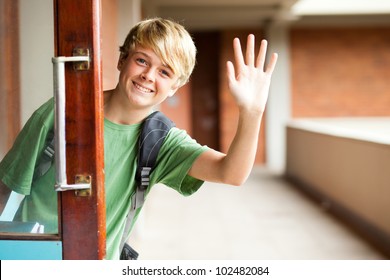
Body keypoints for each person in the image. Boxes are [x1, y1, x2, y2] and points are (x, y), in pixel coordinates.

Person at [0, 18, 278, 259]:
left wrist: (252, 112)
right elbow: (5, 188)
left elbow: (232, 173)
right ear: (122, 60)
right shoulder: (63, 111)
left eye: (164, 72)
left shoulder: (161, 140)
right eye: (142, 60)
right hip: (32, 258)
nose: (148, 76)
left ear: (175, 87)